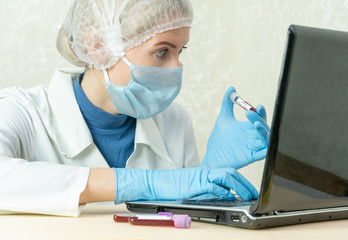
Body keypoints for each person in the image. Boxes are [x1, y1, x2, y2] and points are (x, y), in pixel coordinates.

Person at [0, 0, 269, 217]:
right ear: (98, 47)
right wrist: (144, 184)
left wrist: (210, 173)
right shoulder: (23, 111)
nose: (177, 67)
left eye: (180, 51)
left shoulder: (175, 121)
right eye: (163, 51)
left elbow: (186, 223)